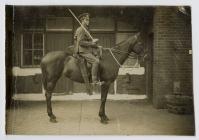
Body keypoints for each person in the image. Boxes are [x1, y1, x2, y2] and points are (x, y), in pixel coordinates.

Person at [74, 13, 101, 85]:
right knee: (96, 61)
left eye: (88, 19)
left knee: (99, 52)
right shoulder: (81, 29)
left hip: (87, 49)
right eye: (87, 19)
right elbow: (80, 42)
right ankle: (94, 81)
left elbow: (87, 40)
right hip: (82, 51)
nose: (88, 21)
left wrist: (94, 42)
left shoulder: (85, 29)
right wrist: (92, 43)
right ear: (82, 20)